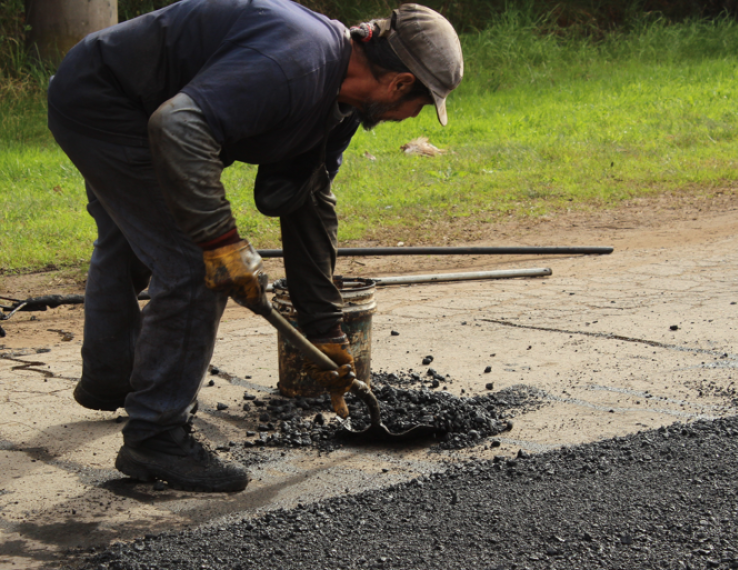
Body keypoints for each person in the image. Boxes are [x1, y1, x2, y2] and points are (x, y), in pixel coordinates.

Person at [47, 0, 463, 493]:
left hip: (134, 99)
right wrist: (222, 242)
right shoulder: (295, 64)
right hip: (105, 99)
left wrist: (323, 326)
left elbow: (307, 202)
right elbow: (177, 125)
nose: (409, 116)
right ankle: (156, 434)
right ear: (399, 83)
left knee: (131, 241)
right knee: (192, 266)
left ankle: (110, 377)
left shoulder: (340, 107)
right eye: (421, 103)